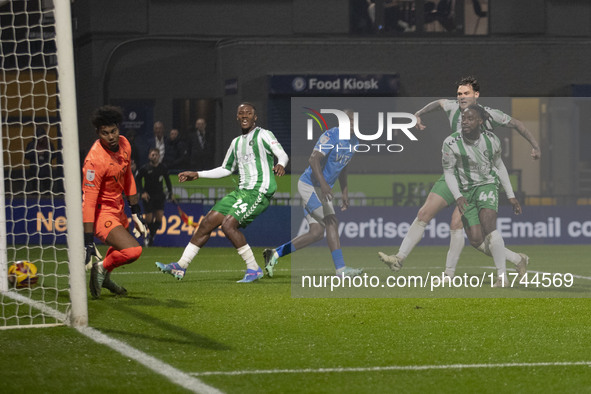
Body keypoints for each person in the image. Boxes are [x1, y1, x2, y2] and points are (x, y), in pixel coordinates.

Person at [378, 76, 537, 279]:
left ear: (476, 95)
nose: (461, 97)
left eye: (466, 93)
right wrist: (418, 113)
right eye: (459, 94)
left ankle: (511, 260)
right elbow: (439, 103)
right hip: (454, 174)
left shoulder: (491, 115)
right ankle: (400, 259)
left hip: (479, 182)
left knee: (474, 238)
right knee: (424, 212)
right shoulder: (453, 108)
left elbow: (517, 124)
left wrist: (535, 145)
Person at [155, 102, 288, 283]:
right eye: (241, 113)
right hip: (241, 191)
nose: (245, 116)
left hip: (259, 191)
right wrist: (198, 174)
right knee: (207, 222)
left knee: (227, 225)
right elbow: (226, 169)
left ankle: (253, 268)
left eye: (248, 113)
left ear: (255, 117)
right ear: (237, 117)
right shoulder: (235, 143)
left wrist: (281, 163)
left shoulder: (263, 135)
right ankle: (181, 266)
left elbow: (282, 154)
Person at [263, 109, 363, 278]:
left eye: (355, 121)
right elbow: (313, 159)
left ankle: (274, 254)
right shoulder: (331, 136)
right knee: (332, 222)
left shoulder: (355, 142)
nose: (352, 123)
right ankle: (341, 269)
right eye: (349, 120)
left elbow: (343, 166)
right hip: (309, 186)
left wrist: (345, 192)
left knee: (316, 233)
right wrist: (324, 185)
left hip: (321, 190)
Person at [442, 104, 522, 287]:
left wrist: (510, 195)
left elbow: (499, 166)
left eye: (470, 119)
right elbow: (448, 172)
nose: (465, 122)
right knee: (476, 240)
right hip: (465, 191)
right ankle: (517, 259)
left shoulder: (492, 140)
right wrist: (458, 196)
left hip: (487, 185)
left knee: (489, 227)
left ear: (480, 121)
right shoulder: (450, 143)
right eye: (463, 118)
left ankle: (502, 277)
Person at [82, 105, 148, 299]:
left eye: (113, 131)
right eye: (105, 133)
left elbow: (128, 177)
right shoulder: (94, 161)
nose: (110, 137)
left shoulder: (124, 144)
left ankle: (106, 278)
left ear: (118, 128)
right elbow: (89, 202)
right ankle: (101, 268)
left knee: (121, 248)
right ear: (97, 133)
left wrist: (135, 211)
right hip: (102, 213)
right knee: (133, 251)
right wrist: (88, 241)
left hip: (118, 207)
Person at [136, 148, 174, 246]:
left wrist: (170, 193)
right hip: (148, 196)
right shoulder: (145, 168)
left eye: (156, 155)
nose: (154, 156)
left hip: (159, 196)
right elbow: (138, 180)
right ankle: (147, 234)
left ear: (159, 156)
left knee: (159, 218)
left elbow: (168, 181)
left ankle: (151, 237)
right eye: (153, 155)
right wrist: (142, 192)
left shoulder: (163, 168)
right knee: (148, 219)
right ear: (149, 156)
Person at [24, 125, 58, 194]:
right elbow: (27, 156)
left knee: (47, 191)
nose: (40, 138)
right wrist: (36, 153)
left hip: (46, 171)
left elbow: (54, 155)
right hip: (34, 170)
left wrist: (45, 153)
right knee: (34, 191)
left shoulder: (48, 144)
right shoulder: (31, 144)